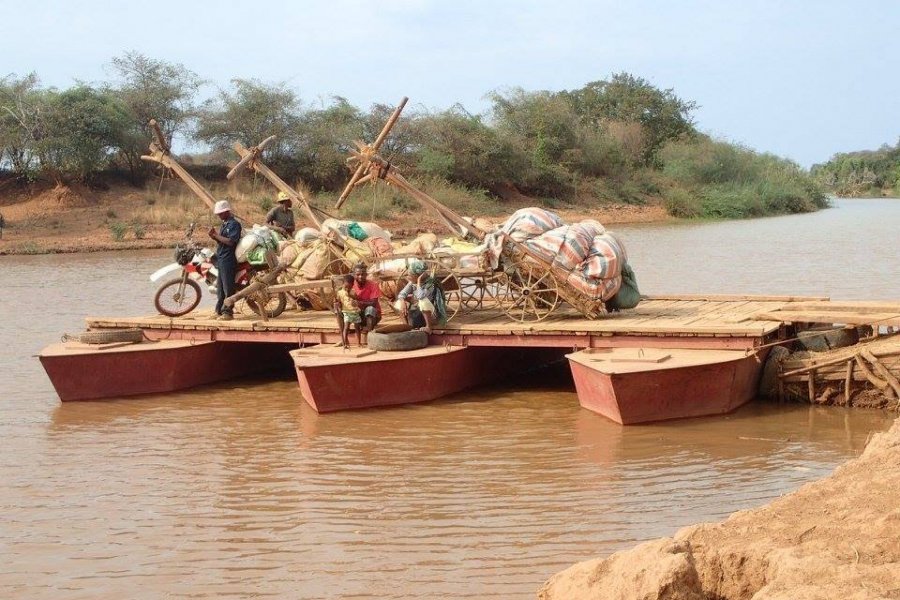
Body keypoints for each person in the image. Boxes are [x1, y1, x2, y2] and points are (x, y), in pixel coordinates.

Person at [208, 200, 242, 321]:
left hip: (228, 259)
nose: (219, 216)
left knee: (228, 287)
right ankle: (219, 311)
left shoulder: (234, 224)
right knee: (221, 288)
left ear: (227, 211)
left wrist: (216, 235)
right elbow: (223, 241)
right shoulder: (225, 223)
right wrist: (214, 237)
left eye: (221, 213)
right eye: (218, 214)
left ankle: (228, 312)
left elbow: (231, 242)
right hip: (222, 258)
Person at [394, 260, 447, 334]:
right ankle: (406, 325)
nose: (408, 277)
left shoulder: (430, 284)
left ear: (417, 276)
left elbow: (421, 296)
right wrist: (402, 301)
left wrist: (418, 283)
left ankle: (428, 326)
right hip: (416, 312)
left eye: (410, 275)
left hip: (430, 315)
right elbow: (402, 293)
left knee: (423, 302)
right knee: (399, 302)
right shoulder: (412, 283)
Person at [351, 263, 381, 332]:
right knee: (337, 307)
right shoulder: (351, 285)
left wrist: (359, 303)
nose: (360, 277)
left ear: (366, 275)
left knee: (370, 309)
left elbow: (374, 303)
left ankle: (370, 333)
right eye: (358, 275)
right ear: (354, 275)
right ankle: (344, 337)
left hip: (373, 315)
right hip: (357, 314)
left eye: (363, 274)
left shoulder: (373, 285)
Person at [334, 274, 362, 348]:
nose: (347, 288)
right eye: (346, 286)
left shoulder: (353, 291)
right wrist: (337, 303)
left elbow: (357, 299)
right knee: (346, 327)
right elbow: (338, 301)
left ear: (352, 285)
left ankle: (359, 343)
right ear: (343, 284)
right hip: (346, 312)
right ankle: (345, 343)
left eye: (349, 287)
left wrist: (351, 295)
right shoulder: (339, 292)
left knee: (357, 328)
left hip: (355, 312)